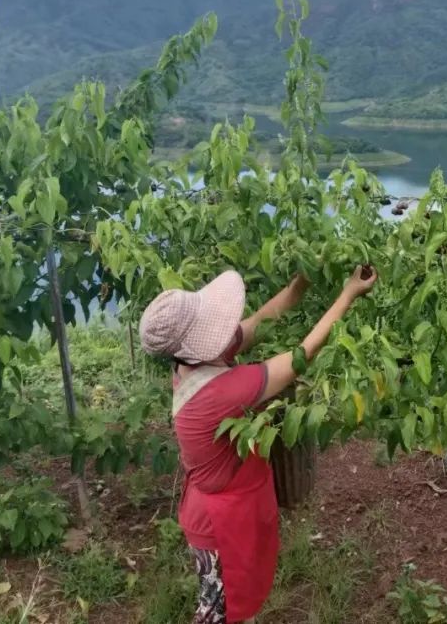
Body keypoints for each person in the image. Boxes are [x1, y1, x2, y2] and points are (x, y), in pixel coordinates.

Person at [138, 264, 378, 624]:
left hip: (218, 506)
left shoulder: (191, 363)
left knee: (234, 604)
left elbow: (265, 317)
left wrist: (302, 279)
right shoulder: (221, 392)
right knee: (218, 612)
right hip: (217, 523)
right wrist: (347, 295)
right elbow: (301, 356)